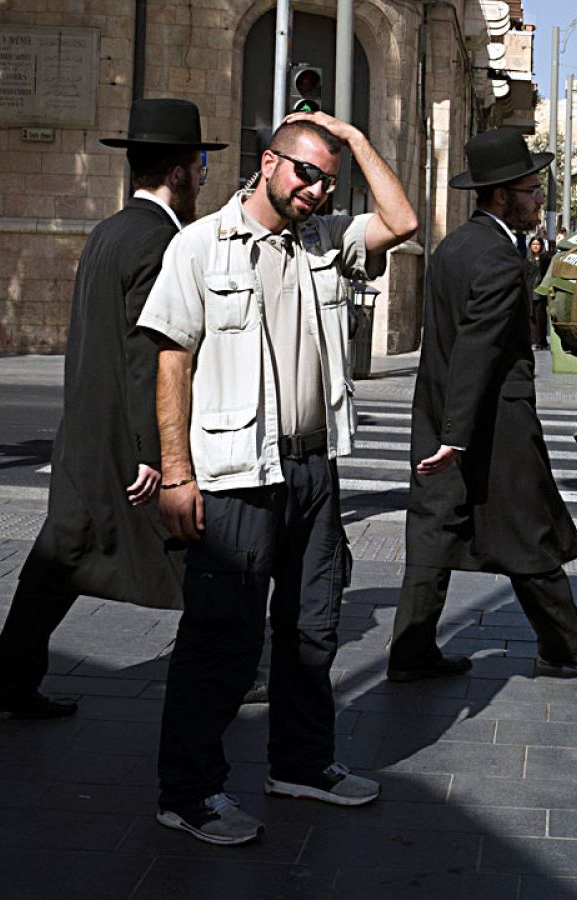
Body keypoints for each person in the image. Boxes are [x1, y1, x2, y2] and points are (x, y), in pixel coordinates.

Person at [138, 111, 417, 845]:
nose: (318, 191)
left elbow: (404, 220)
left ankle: (300, 763)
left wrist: (353, 141)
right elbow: (171, 363)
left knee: (311, 630)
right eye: (305, 172)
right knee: (221, 640)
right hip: (235, 473)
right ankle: (189, 791)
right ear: (267, 164)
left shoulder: (324, 243)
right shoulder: (200, 247)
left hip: (313, 466)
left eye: (329, 180)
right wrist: (175, 474)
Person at [0, 100, 220, 720]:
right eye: (202, 165)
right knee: (202, 556)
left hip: (84, 433)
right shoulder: (165, 242)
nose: (202, 177)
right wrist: (156, 452)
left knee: (57, 561)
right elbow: (148, 355)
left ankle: (7, 680)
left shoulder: (110, 231)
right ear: (181, 172)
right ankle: (236, 666)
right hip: (121, 444)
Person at [390, 128, 577, 683]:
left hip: (440, 410)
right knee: (528, 532)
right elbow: (478, 350)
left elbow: (445, 342)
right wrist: (458, 436)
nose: (540, 200)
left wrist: (444, 427)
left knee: (434, 532)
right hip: (491, 422)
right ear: (502, 194)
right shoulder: (501, 259)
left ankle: (410, 650)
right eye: (531, 190)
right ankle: (565, 643)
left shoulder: (455, 246)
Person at [527, 235, 553, 350]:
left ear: (541, 246)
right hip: (530, 292)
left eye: (537, 244)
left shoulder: (546, 259)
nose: (535, 246)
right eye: (533, 244)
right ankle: (533, 341)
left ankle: (541, 341)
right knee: (531, 317)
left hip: (542, 293)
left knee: (541, 317)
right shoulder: (527, 260)